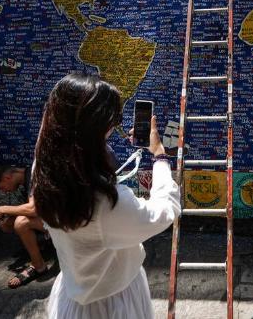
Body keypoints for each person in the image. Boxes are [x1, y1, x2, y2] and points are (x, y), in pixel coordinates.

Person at [32, 73, 180, 318]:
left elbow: (81, 154)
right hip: (115, 303)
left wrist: (101, 147)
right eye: (111, 122)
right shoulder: (106, 204)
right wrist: (160, 156)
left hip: (72, 294)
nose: (114, 127)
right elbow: (164, 210)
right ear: (95, 130)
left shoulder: (45, 169)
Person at [0, 165, 49, 288]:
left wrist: (3, 208)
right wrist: (7, 215)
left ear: (7, 177)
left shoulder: (34, 175)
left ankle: (38, 266)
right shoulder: (25, 181)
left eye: (2, 188)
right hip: (50, 218)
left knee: (21, 222)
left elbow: (33, 209)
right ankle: (40, 246)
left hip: (68, 221)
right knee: (6, 224)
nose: (4, 191)